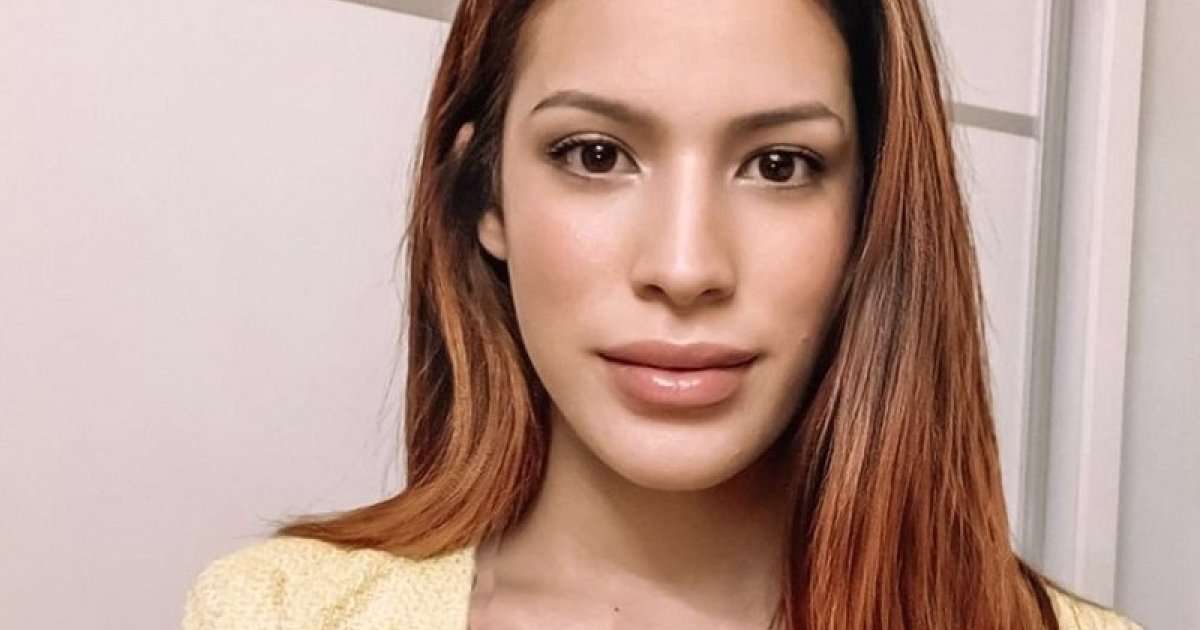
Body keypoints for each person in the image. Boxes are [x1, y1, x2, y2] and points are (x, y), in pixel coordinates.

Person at [181, 1, 1143, 629]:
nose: (685, 268)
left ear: (870, 212)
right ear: (485, 193)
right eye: (595, 155)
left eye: (779, 165)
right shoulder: (282, 613)